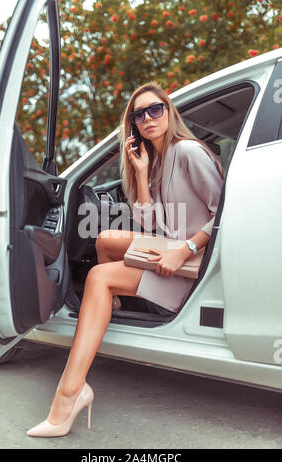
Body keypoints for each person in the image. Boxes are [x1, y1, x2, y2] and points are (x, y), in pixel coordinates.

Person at [27, 81, 223, 437]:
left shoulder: (189, 152)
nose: (148, 117)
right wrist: (143, 173)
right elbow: (152, 223)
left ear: (168, 111)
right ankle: (110, 305)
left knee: (97, 278)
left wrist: (186, 249)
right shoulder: (161, 159)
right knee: (105, 238)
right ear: (133, 124)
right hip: (170, 248)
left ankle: (70, 395)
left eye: (155, 109)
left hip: (189, 268)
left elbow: (225, 212)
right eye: (139, 114)